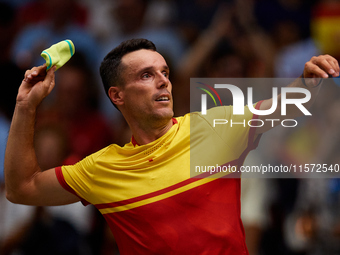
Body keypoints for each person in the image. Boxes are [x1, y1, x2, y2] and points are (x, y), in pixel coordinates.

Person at [4, 38, 339, 254]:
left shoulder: (215, 126)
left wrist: (307, 82)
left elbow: (283, 107)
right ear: (117, 96)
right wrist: (26, 106)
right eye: (146, 75)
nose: (163, 79)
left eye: (164, 71)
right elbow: (22, 189)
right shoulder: (101, 168)